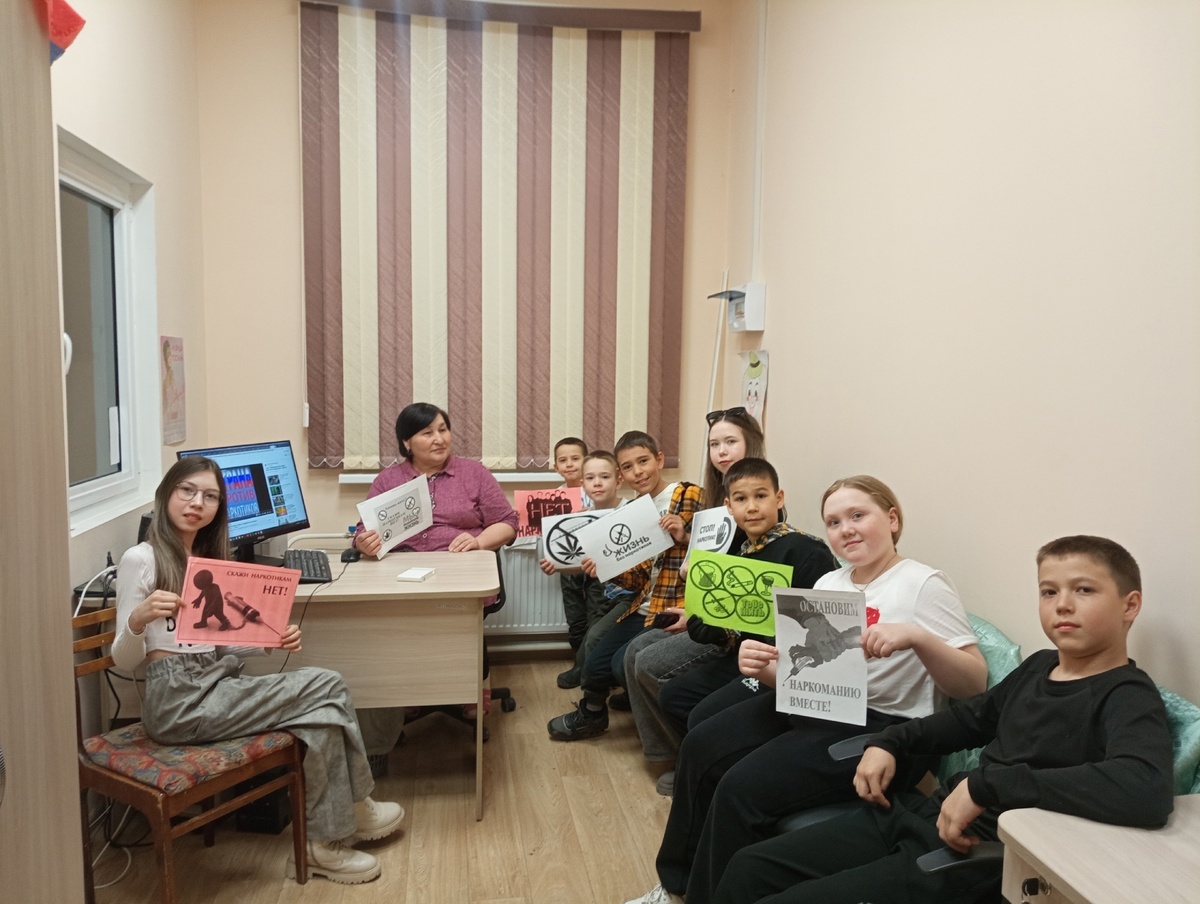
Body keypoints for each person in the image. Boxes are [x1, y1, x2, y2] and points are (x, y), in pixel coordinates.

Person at [711, 535, 1175, 904]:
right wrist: (890, 741)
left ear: (1129, 605)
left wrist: (988, 786)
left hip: (979, 851)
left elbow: (1145, 788)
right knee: (749, 869)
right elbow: (971, 720)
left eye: (1084, 590)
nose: (1063, 604)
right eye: (1049, 591)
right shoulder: (1040, 666)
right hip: (925, 816)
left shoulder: (1128, 694)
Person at [627, 475, 988, 904]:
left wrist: (917, 637)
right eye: (834, 522)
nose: (846, 529)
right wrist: (759, 664)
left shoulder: (923, 584)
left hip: (885, 728)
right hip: (818, 704)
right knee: (700, 744)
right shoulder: (829, 585)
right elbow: (799, 676)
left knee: (741, 788)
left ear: (892, 519)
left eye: (858, 515)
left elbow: (974, 684)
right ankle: (675, 885)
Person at [111, 457, 405, 885]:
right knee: (327, 684)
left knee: (322, 719)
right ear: (165, 495)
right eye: (187, 491)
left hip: (214, 682)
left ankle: (321, 847)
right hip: (176, 702)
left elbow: (213, 642)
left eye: (210, 496)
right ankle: (358, 806)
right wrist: (137, 620)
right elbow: (122, 660)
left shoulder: (207, 560)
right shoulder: (141, 559)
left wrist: (268, 641)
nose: (197, 503)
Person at [624, 458, 837, 787]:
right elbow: (716, 622)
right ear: (729, 506)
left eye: (761, 496)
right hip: (740, 654)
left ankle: (730, 773)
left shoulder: (806, 551)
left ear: (779, 498)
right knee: (674, 697)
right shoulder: (739, 552)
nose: (751, 507)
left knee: (703, 713)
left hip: (781, 664)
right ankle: (708, 763)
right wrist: (706, 620)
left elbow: (822, 627)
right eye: (741, 499)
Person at [352, 402, 518, 770]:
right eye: (427, 433)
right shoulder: (388, 481)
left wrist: (478, 541)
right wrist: (364, 542)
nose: (439, 438)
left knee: (454, 619)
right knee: (386, 629)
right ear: (406, 442)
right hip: (405, 577)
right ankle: (402, 700)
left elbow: (508, 523)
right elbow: (364, 532)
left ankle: (468, 690)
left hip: (462, 572)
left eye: (443, 429)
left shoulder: (473, 473)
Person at [547, 430, 703, 741]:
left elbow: (711, 546)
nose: (638, 472)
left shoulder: (685, 493)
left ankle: (646, 705)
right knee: (594, 664)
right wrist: (605, 569)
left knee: (621, 665)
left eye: (643, 462)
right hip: (642, 605)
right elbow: (637, 578)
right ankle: (593, 714)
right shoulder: (634, 510)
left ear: (659, 460)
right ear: (622, 474)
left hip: (674, 606)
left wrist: (685, 534)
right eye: (629, 467)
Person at [542, 448, 628, 688]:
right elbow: (580, 564)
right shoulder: (582, 518)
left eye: (605, 477)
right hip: (602, 587)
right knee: (588, 628)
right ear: (582, 484)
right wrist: (557, 566)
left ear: (618, 480)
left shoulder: (631, 511)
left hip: (626, 593)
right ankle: (587, 671)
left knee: (595, 634)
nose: (597, 483)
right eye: (590, 478)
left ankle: (591, 679)